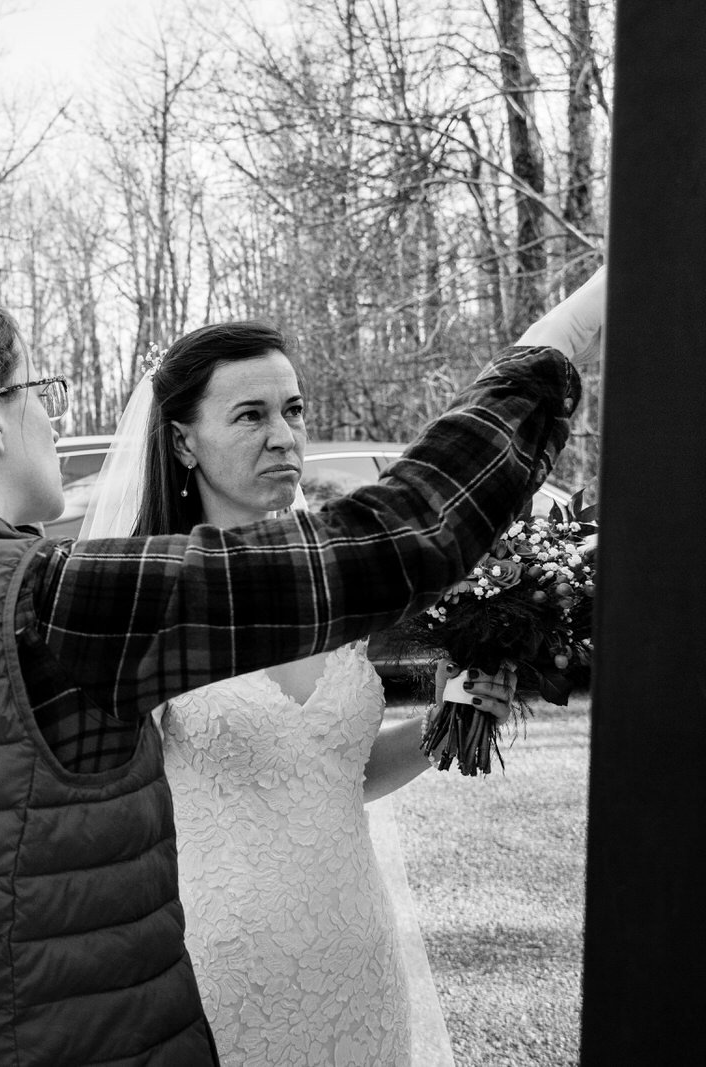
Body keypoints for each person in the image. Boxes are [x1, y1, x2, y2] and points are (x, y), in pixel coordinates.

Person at [0, 297, 581, 1067]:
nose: (55, 422)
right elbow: (401, 538)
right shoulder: (52, 600)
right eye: (43, 395)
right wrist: (551, 352)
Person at [76, 269, 606, 1067]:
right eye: (249, 415)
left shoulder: (333, 588)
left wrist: (446, 723)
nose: (284, 435)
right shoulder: (156, 601)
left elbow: (338, 775)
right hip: (218, 965)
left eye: (291, 410)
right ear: (183, 439)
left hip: (354, 943)